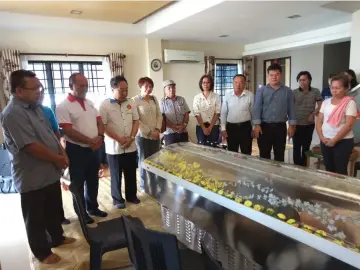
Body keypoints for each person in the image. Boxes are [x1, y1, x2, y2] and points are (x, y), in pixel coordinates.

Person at [1, 70, 75, 264]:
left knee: (52, 210)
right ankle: (42, 252)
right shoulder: (12, 113)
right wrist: (57, 159)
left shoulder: (36, 108)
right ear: (19, 91)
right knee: (35, 217)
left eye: (39, 87)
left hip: (49, 172)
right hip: (31, 176)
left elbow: (51, 135)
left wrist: (62, 153)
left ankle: (57, 238)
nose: (40, 91)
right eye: (35, 88)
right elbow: (31, 147)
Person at [56, 73, 108, 225]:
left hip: (94, 149)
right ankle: (81, 212)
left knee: (93, 181)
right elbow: (68, 131)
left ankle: (93, 207)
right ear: (71, 86)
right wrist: (89, 141)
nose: (85, 88)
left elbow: (100, 122)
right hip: (77, 150)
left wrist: (100, 136)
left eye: (86, 85)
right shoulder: (63, 106)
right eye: (81, 85)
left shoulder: (90, 102)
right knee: (78, 184)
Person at [99, 75, 140, 209]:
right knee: (115, 174)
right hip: (114, 148)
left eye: (126, 89)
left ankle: (132, 196)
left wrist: (132, 137)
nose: (125, 93)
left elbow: (136, 121)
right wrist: (118, 139)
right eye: (121, 90)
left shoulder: (131, 103)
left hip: (130, 145)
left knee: (131, 172)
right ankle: (117, 199)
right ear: (113, 89)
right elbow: (103, 126)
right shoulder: (105, 105)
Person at [252, 63, 296, 162]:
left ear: (280, 75)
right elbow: (257, 108)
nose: (274, 77)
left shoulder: (287, 91)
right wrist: (257, 125)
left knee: (279, 154)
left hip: (280, 127)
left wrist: (292, 125)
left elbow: (291, 108)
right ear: (268, 76)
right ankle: (265, 176)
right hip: (264, 127)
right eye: (271, 75)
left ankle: (277, 176)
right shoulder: (261, 90)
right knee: (264, 154)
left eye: (276, 74)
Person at [38, 89, 70, 225]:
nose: (39, 95)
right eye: (36, 91)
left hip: (53, 152)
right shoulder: (20, 114)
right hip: (37, 157)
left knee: (54, 188)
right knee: (41, 193)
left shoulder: (47, 110)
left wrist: (61, 151)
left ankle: (60, 217)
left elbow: (56, 132)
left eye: (41, 92)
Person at [316, 73, 357, 175]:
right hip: (325, 140)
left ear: (345, 88)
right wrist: (321, 137)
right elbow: (319, 120)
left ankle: (341, 191)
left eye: (338, 88)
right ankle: (330, 190)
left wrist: (334, 140)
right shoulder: (326, 102)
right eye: (332, 87)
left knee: (340, 171)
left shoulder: (349, 103)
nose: (334, 90)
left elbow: (349, 125)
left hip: (343, 142)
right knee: (329, 169)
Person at [133, 77, 162, 191]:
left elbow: (159, 116)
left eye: (151, 86)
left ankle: (154, 185)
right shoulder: (135, 100)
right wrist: (150, 132)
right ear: (140, 87)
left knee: (155, 161)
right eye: (146, 86)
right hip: (142, 136)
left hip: (156, 134)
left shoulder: (154, 99)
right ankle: (144, 186)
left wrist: (157, 130)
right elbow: (136, 120)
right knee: (143, 161)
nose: (149, 89)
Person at [292, 71, 323, 166]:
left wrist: (313, 114)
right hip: (296, 124)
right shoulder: (294, 92)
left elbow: (321, 105)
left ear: (309, 80)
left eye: (304, 80)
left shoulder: (315, 91)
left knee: (306, 146)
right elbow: (290, 107)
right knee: (296, 147)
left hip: (309, 124)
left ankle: (304, 165)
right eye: (300, 80)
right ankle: (297, 166)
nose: (302, 82)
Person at [221, 74, 254, 154]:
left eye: (241, 82)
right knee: (232, 152)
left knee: (246, 152)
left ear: (245, 84)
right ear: (232, 83)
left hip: (245, 127)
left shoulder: (250, 95)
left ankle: (246, 166)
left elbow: (253, 112)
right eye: (236, 82)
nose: (238, 85)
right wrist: (223, 128)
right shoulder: (227, 96)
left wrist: (254, 128)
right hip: (231, 128)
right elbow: (223, 113)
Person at [160, 80, 190, 146]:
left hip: (183, 131)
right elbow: (162, 118)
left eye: (173, 87)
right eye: (169, 88)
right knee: (171, 155)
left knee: (185, 153)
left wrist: (184, 125)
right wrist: (173, 127)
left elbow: (186, 114)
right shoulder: (162, 102)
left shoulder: (181, 99)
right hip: (170, 134)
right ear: (165, 90)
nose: (172, 90)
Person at [193, 75, 221, 146]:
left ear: (211, 84)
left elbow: (217, 112)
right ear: (201, 84)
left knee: (213, 148)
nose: (206, 84)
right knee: (201, 148)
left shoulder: (216, 96)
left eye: (208, 82)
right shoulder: (197, 97)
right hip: (201, 126)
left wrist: (210, 127)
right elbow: (197, 114)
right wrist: (204, 128)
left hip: (214, 125)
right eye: (204, 82)